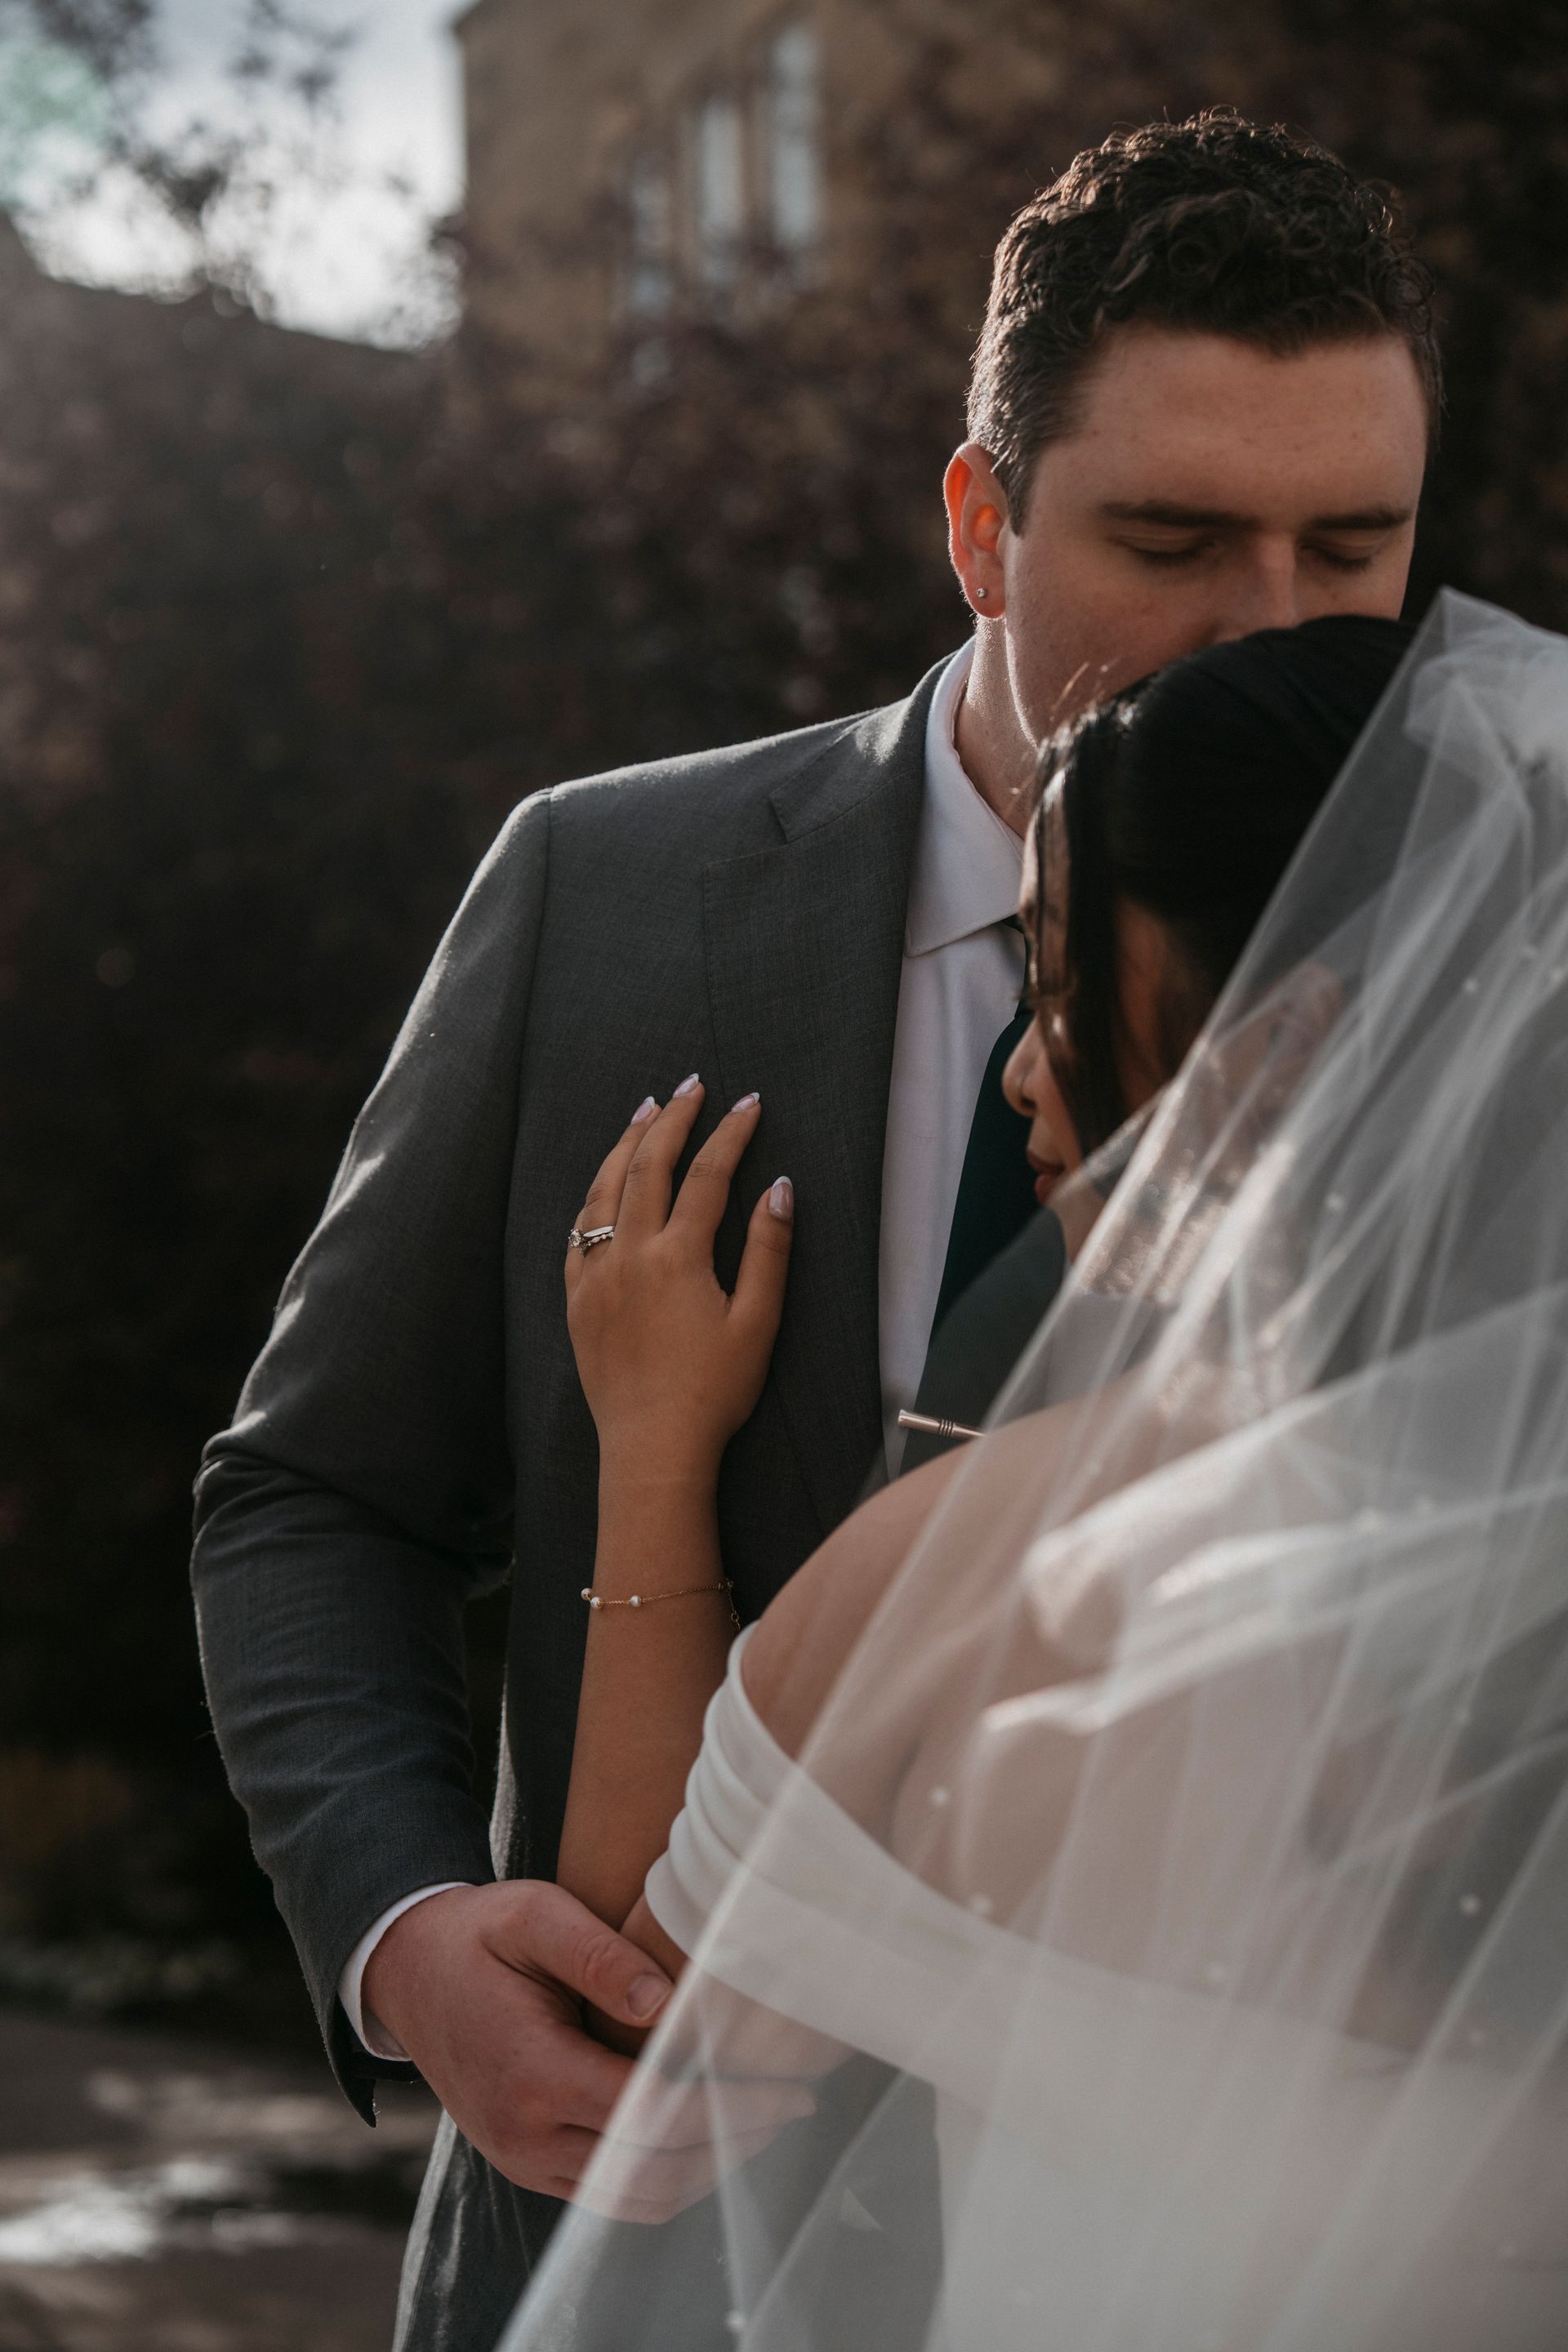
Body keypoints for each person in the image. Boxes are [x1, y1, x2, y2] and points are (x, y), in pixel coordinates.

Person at [189, 112, 1437, 2350]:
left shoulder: (1502, 1009)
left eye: (1351, 550)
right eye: (1172, 538)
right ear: (981, 522)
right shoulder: (606, 896)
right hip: (621, 2267)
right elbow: (314, 1496)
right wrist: (405, 1940)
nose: (1268, 630)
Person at [504, 598, 1568, 2350]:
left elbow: (638, 2031)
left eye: (1064, 979)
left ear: (1283, 1047)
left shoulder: (996, 1566)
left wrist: (654, 1452)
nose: (1019, 1069)